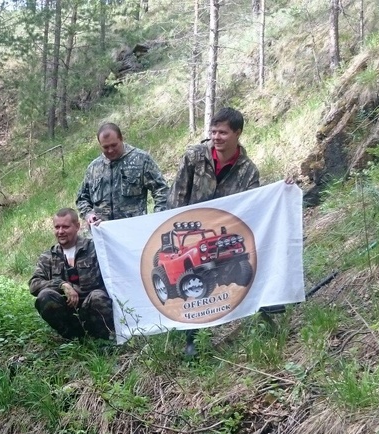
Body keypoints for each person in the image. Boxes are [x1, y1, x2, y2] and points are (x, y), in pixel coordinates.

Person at [168, 107, 275, 358]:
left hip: (224, 236)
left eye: (223, 133)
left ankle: (262, 314)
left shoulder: (248, 171)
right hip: (192, 233)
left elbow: (254, 207)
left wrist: (284, 189)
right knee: (191, 277)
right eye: (213, 131)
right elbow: (177, 197)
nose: (216, 137)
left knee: (249, 265)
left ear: (237, 133)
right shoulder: (194, 157)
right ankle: (191, 338)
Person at [29, 208, 113, 340]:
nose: (60, 231)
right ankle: (73, 339)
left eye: (65, 227)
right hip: (67, 312)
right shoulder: (48, 256)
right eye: (57, 227)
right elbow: (34, 284)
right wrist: (62, 284)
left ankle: (101, 340)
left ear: (77, 226)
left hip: (92, 309)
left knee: (98, 296)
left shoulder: (94, 248)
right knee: (44, 295)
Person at [76, 122, 169, 226]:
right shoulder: (93, 168)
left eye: (114, 145)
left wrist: (158, 218)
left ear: (121, 139)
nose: (110, 150)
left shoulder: (141, 160)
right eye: (105, 147)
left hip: (134, 230)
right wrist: (89, 214)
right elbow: (82, 198)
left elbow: (161, 190)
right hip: (103, 233)